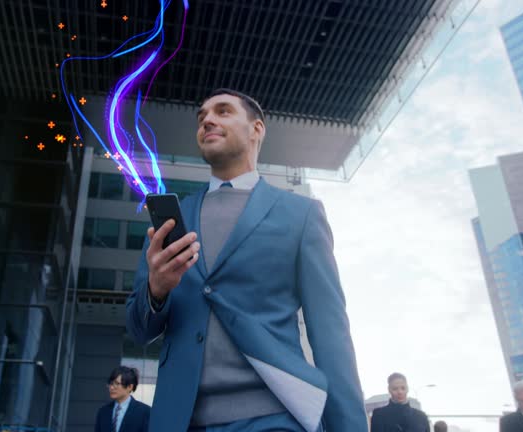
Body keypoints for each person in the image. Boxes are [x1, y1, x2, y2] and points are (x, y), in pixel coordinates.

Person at [126, 88, 366, 431]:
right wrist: (156, 290)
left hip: (275, 419)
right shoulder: (172, 220)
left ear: (257, 129)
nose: (207, 119)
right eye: (202, 116)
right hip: (180, 422)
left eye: (223, 112)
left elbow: (330, 335)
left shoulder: (301, 214)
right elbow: (138, 329)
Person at [95, 366, 150, 432]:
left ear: (130, 387)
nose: (111, 387)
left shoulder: (145, 412)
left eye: (117, 384)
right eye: (111, 383)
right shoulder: (103, 412)